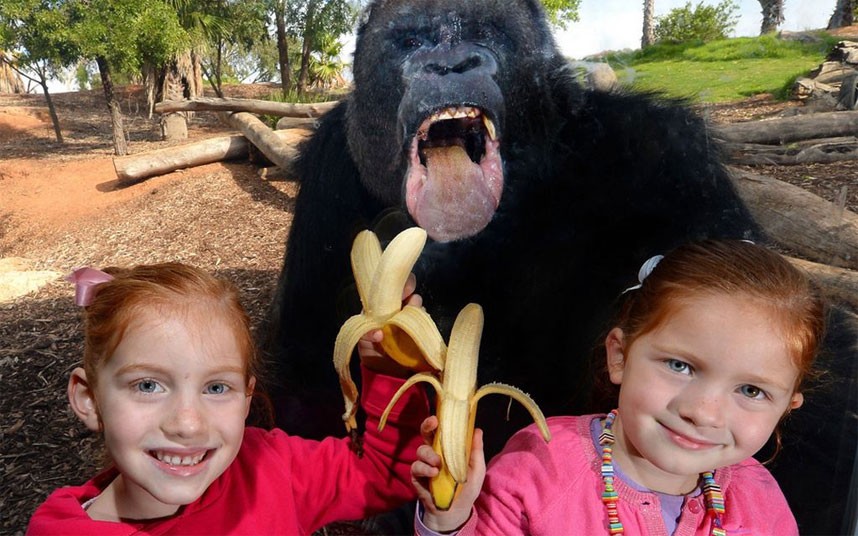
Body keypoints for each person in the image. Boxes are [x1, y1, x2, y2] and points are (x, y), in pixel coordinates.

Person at [411, 240, 826, 536]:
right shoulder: (538, 468)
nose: (704, 412)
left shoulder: (760, 502)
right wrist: (449, 521)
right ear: (620, 356)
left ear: (787, 407)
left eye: (752, 391)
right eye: (680, 366)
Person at [27, 262, 429, 535]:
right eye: (147, 386)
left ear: (247, 395)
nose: (187, 424)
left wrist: (389, 370)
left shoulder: (272, 470)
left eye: (217, 388)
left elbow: (385, 471)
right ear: (89, 398)